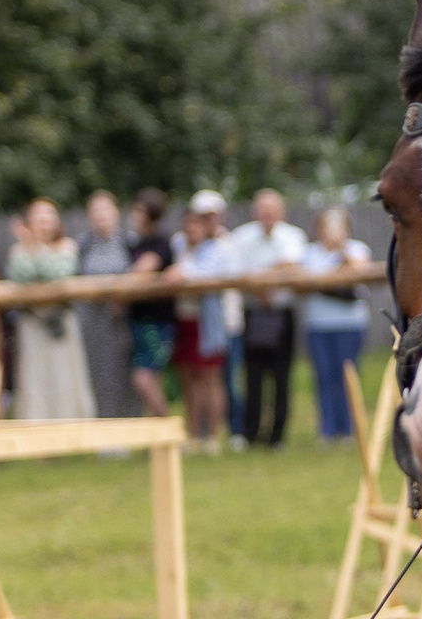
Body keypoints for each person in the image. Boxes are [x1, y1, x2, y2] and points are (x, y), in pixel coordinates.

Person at [225, 188, 309, 448]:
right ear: (255, 212)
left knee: (282, 376)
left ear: (280, 212)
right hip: (253, 313)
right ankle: (250, 433)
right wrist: (265, 282)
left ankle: (277, 436)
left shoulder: (293, 235)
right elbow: (235, 273)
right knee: (252, 376)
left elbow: (293, 266)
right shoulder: (241, 237)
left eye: (271, 210)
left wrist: (260, 279)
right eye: (262, 210)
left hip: (282, 313)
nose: (266, 215)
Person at [5, 199, 97, 420]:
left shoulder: (67, 246)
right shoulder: (17, 250)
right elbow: (21, 276)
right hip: (32, 322)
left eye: (48, 217)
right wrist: (32, 249)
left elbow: (56, 274)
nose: (44, 223)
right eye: (38, 217)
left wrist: (35, 247)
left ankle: (72, 428)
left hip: (61, 321)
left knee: (65, 375)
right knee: (35, 376)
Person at [302, 206, 374, 443]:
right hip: (319, 324)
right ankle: (328, 428)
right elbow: (308, 280)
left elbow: (360, 273)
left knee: (348, 376)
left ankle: (349, 429)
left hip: (350, 324)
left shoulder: (357, 249)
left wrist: (341, 252)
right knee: (324, 377)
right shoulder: (310, 253)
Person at [169, 193, 234, 453]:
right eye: (188, 225)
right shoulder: (179, 248)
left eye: (196, 225)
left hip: (207, 324)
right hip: (183, 320)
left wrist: (181, 273)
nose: (191, 230)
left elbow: (209, 275)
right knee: (188, 378)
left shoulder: (216, 249)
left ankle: (213, 436)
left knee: (210, 378)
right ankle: (194, 434)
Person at [77, 191, 139, 418]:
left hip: (122, 320)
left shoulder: (128, 242)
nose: (102, 215)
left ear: (116, 213)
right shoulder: (83, 245)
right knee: (97, 373)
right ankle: (102, 424)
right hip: (92, 323)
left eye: (106, 210)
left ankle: (130, 425)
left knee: (124, 373)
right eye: (96, 211)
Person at [121, 190, 178, 420]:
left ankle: (168, 428)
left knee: (143, 378)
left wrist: (119, 285)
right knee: (152, 379)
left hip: (158, 322)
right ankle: (158, 435)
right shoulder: (136, 242)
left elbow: (142, 270)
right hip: (137, 320)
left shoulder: (160, 242)